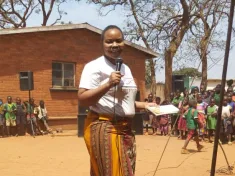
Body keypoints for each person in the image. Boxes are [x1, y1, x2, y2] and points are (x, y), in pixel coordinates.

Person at [78, 25, 156, 176]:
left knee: (125, 170)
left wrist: (146, 105)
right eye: (109, 41)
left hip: (125, 129)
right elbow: (82, 99)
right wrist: (108, 84)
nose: (114, 45)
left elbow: (123, 103)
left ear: (123, 43)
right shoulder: (94, 66)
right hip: (105, 127)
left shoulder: (125, 68)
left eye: (118, 41)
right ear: (102, 44)